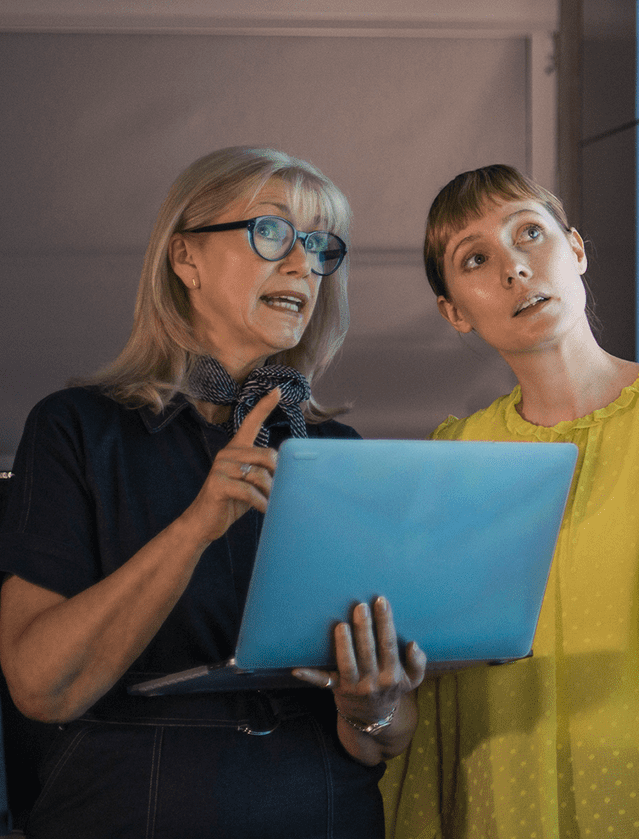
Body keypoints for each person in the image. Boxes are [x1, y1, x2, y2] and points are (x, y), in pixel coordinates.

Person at [0, 146, 426, 838]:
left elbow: (387, 738)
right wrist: (196, 525)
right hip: (133, 808)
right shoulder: (76, 429)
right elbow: (40, 688)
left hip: (323, 809)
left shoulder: (339, 454)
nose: (303, 263)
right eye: (272, 231)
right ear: (185, 258)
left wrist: (371, 706)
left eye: (319, 244)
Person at [381, 165, 639, 839]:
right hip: (509, 797)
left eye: (529, 234)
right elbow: (431, 677)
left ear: (575, 250)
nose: (514, 268)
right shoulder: (456, 454)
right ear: (454, 312)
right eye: (476, 259)